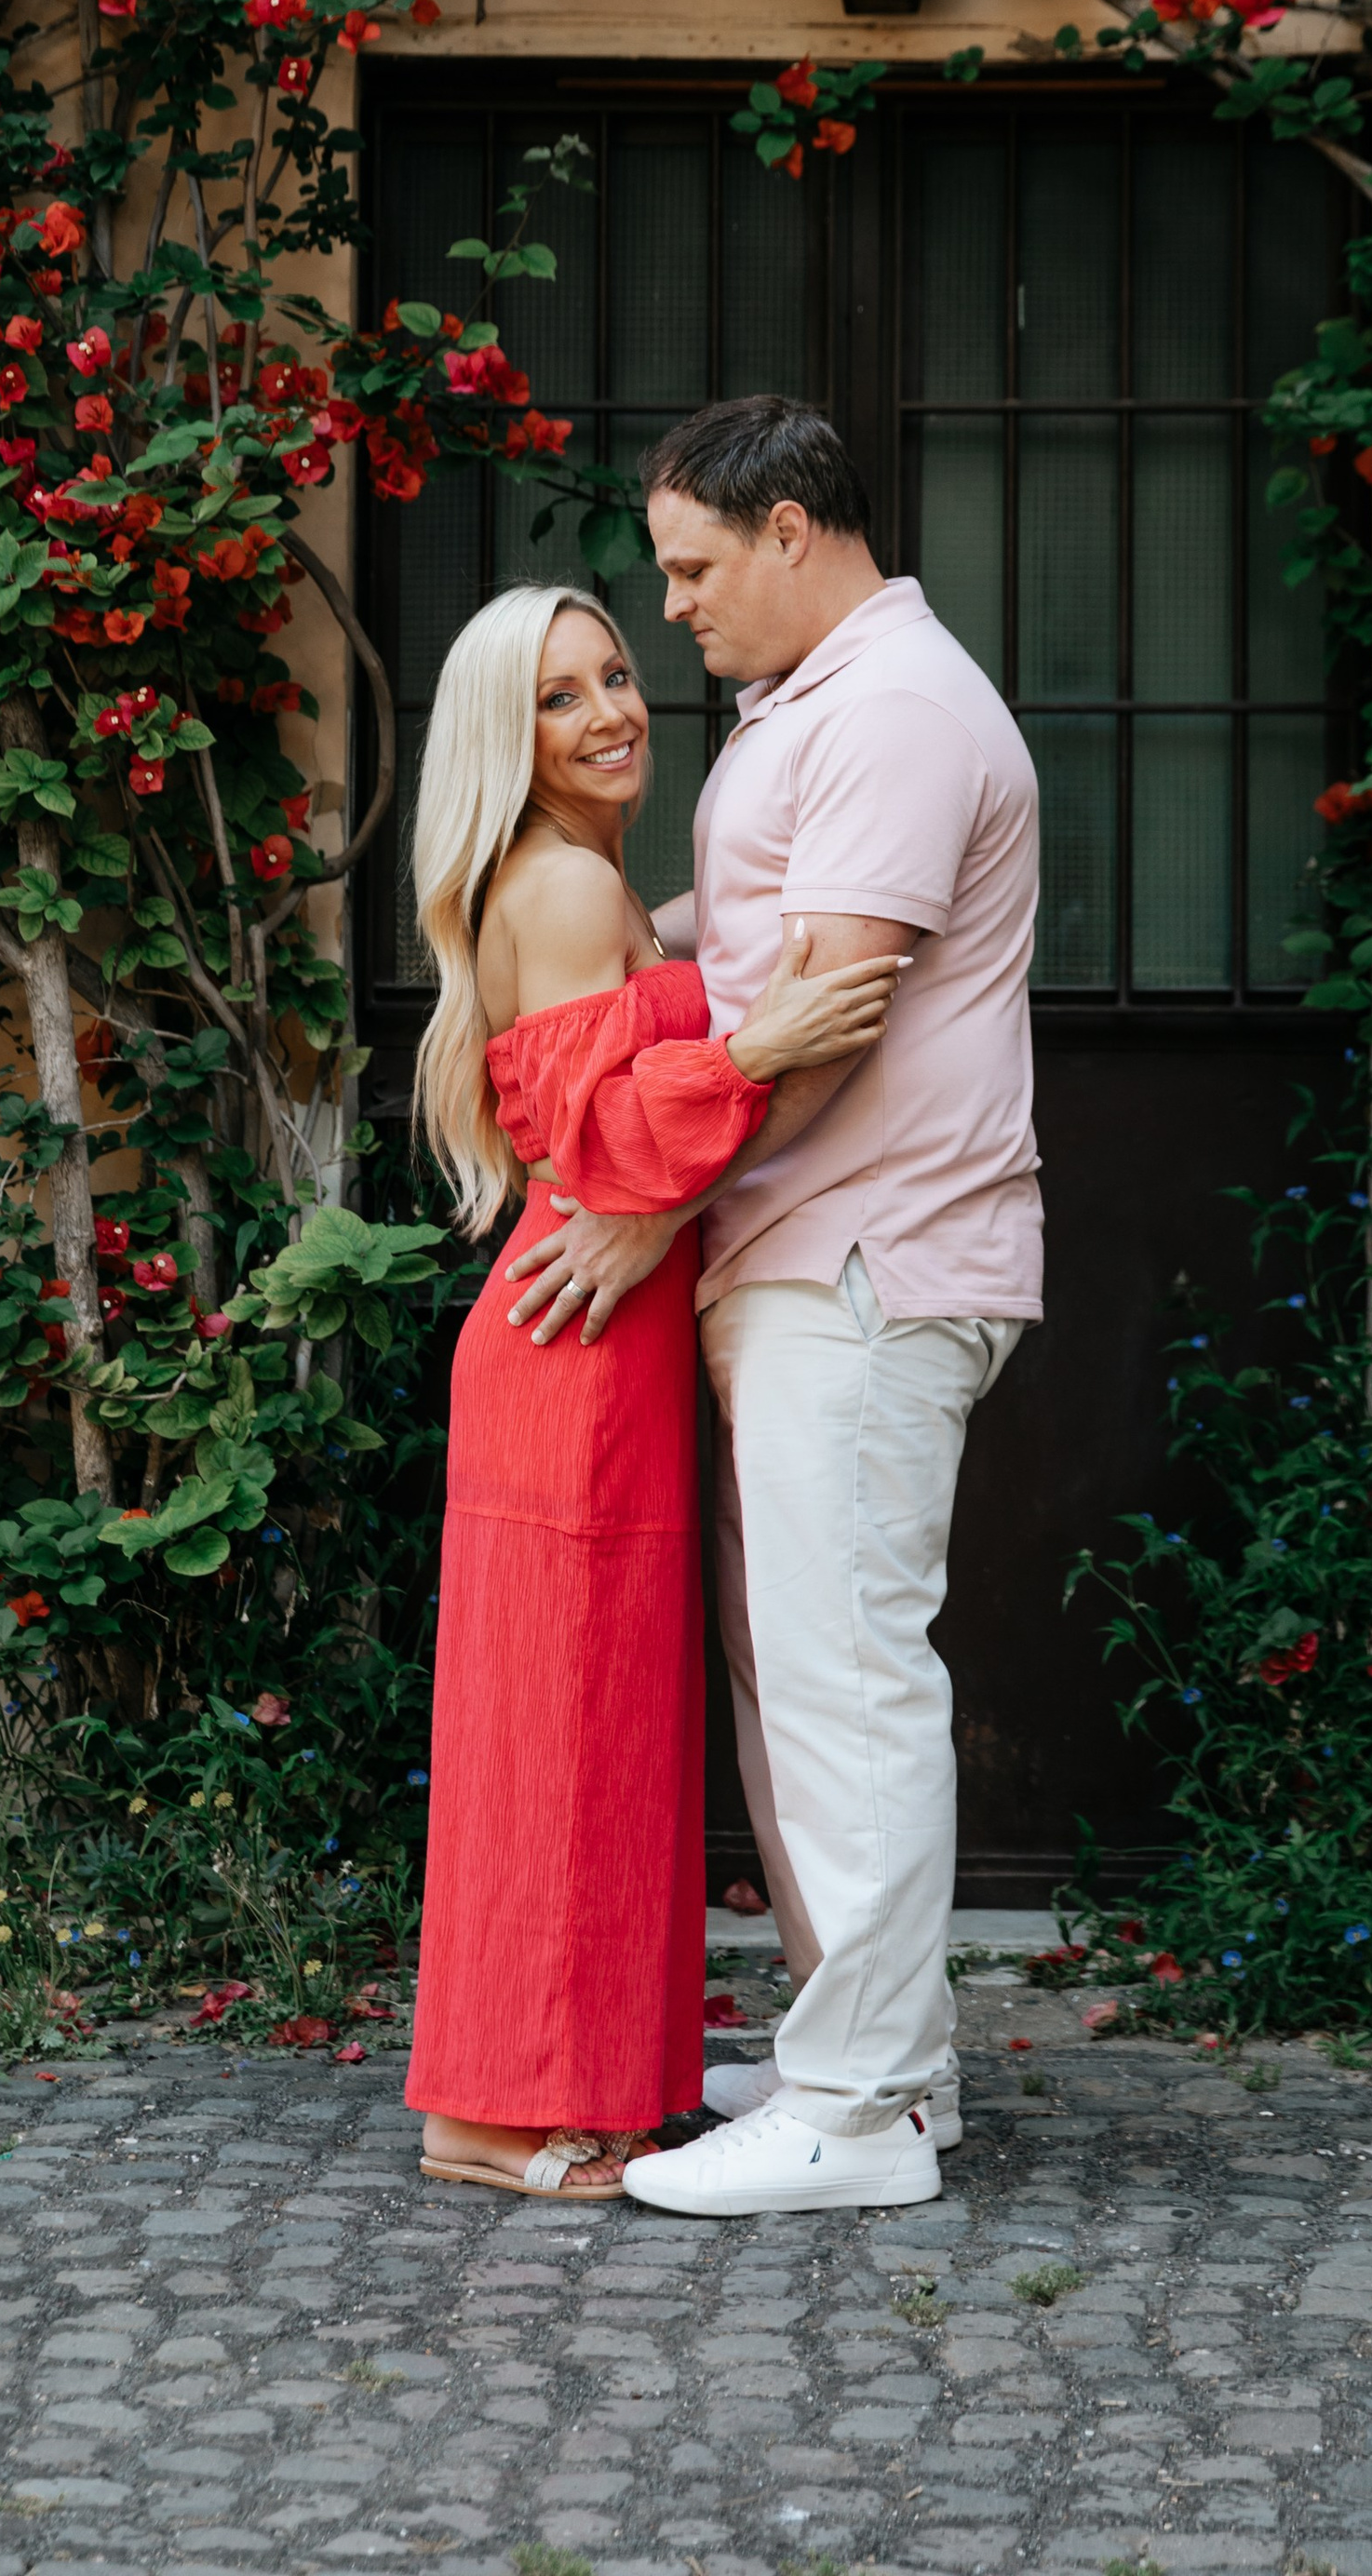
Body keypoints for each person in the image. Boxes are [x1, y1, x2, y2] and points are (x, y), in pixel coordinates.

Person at [499, 397, 1042, 2218]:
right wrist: (587, 933)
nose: (671, 610)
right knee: (793, 1676)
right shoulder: (822, 700)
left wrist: (646, 1215)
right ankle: (872, 2059)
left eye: (692, 567)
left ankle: (861, 2113)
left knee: (845, 1684)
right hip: (806, 1259)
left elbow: (831, 1017)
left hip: (864, 1257)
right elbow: (758, 952)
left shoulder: (890, 712)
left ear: (791, 530)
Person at [399, 579, 905, 2196]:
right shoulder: (557, 886)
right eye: (560, 698)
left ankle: (572, 2080)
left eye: (615, 674)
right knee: (559, 1728)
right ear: (508, 736)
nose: (612, 711)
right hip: (574, 1341)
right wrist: (762, 1045)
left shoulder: (587, 881)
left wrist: (737, 932)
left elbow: (634, 1002)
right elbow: (603, 1137)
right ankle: (492, 2122)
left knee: (594, 1717)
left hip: (598, 1339)